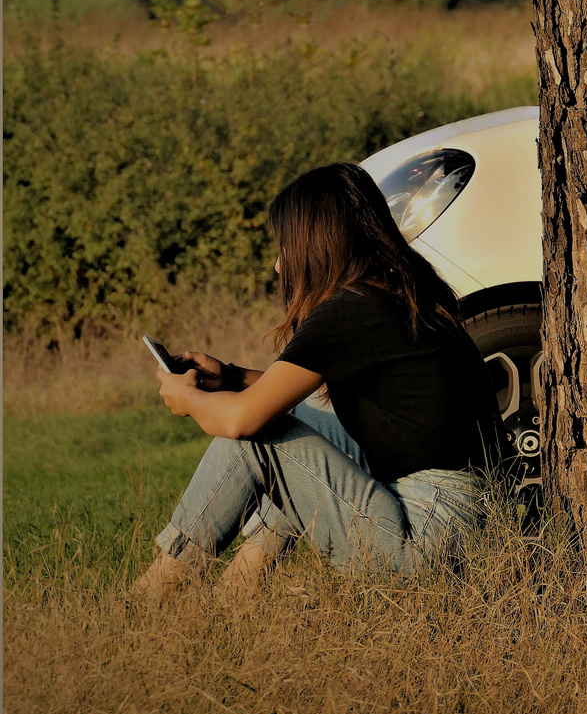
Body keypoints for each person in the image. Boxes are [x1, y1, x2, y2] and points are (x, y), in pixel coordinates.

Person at [132, 162, 504, 599]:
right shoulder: (397, 291)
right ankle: (235, 594)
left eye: (285, 248)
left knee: (257, 439)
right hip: (471, 522)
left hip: (422, 540)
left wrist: (187, 397)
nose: (277, 265)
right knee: (306, 421)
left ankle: (154, 593)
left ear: (317, 246)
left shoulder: (349, 310)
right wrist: (230, 377)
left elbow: (240, 422)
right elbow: (294, 393)